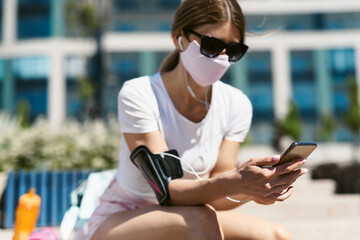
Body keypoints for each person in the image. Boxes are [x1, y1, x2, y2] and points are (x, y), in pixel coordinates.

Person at [88, 0, 308, 239]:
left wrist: (255, 188)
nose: (222, 58)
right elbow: (167, 190)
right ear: (178, 38)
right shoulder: (139, 94)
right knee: (200, 219)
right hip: (124, 219)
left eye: (233, 50)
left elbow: (218, 194)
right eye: (212, 45)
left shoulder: (237, 104)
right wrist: (237, 182)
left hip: (191, 214)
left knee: (277, 234)